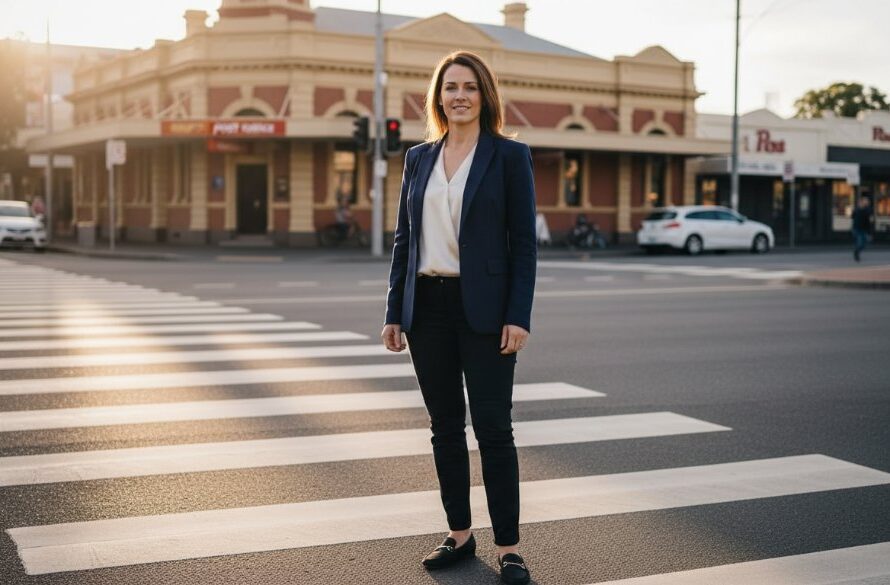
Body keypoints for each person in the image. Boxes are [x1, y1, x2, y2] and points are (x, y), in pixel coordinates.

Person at [381, 50, 536, 585]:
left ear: (484, 95)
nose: (460, 95)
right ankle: (460, 536)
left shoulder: (508, 157)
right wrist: (394, 310)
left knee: (494, 430)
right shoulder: (419, 157)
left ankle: (510, 548)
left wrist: (519, 315)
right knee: (445, 428)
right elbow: (406, 238)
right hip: (428, 310)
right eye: (450, 87)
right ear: (438, 96)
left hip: (487, 313)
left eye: (470, 86)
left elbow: (523, 246)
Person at [851, 196, 872, 262]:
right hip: (857, 229)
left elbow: (868, 221)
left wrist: (869, 232)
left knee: (864, 244)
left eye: (867, 201)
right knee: (860, 243)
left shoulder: (867, 210)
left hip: (864, 229)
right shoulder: (857, 209)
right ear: (862, 202)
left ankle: (857, 251)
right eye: (866, 201)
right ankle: (856, 254)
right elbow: (852, 217)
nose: (867, 202)